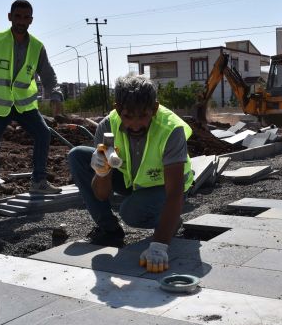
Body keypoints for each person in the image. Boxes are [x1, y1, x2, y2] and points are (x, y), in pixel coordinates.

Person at [68, 75, 194, 273]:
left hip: (163, 186)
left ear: (154, 108)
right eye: (128, 116)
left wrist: (159, 245)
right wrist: (102, 173)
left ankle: (170, 220)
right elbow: (101, 195)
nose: (136, 125)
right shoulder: (107, 126)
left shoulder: (171, 130)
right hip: (132, 179)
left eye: (143, 116)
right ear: (118, 109)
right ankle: (109, 230)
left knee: (130, 212)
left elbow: (175, 192)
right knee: (77, 155)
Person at [0, 0, 62, 207]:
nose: (22, 21)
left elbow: (48, 75)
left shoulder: (37, 47)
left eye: (26, 17)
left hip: (24, 105)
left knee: (43, 133)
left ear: (31, 20)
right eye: (18, 16)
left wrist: (55, 94)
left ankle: (38, 181)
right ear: (9, 16)